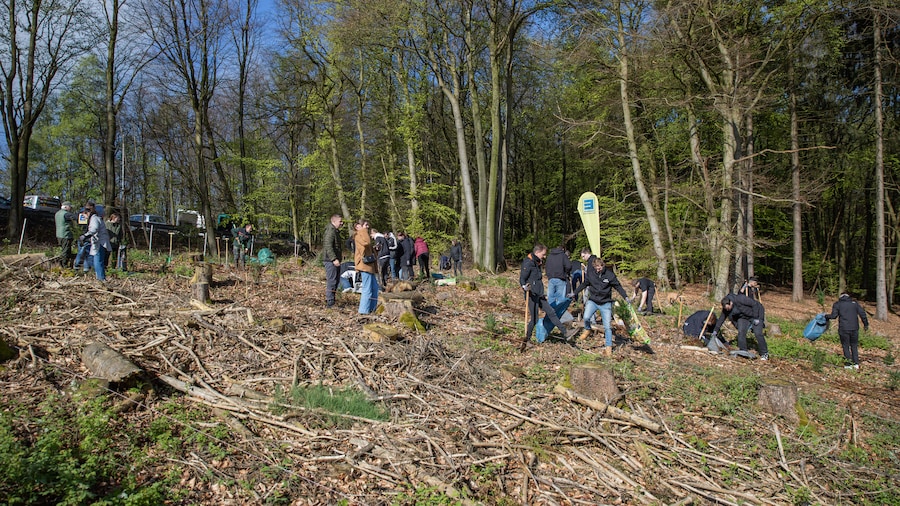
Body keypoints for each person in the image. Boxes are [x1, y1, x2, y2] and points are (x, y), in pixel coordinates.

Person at [570, 257, 629, 352]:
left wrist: (625, 297)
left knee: (607, 327)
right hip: (593, 301)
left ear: (603, 265)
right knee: (586, 318)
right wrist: (575, 292)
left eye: (600, 267)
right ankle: (588, 329)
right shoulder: (591, 274)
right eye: (596, 267)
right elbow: (584, 284)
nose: (598, 269)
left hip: (605, 303)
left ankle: (608, 347)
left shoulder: (610, 275)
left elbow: (618, 286)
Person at [519, 243, 570, 350]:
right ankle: (526, 340)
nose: (545, 256)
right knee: (534, 319)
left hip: (539, 294)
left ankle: (565, 332)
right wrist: (524, 287)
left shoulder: (537, 262)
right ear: (537, 252)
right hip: (531, 295)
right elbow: (522, 279)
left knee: (551, 311)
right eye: (543, 254)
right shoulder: (528, 263)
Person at [710, 293, 769, 360]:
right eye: (726, 309)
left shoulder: (740, 299)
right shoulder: (726, 309)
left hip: (756, 313)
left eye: (728, 308)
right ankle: (743, 351)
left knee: (758, 333)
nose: (727, 310)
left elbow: (754, 304)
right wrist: (715, 331)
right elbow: (721, 319)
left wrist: (757, 318)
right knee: (741, 332)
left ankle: (764, 353)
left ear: (731, 303)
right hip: (743, 317)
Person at [825, 293, 869, 369]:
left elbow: (834, 316)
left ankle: (848, 364)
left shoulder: (838, 304)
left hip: (844, 328)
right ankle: (856, 364)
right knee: (854, 346)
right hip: (854, 328)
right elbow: (862, 314)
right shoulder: (854, 304)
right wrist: (866, 324)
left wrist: (825, 316)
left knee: (845, 346)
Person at [79, 202, 112, 281]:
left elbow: (94, 229)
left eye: (84, 214)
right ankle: (100, 277)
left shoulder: (94, 218)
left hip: (100, 243)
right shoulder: (94, 218)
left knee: (98, 261)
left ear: (87, 212)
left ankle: (101, 278)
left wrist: (85, 236)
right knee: (97, 261)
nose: (84, 216)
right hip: (98, 242)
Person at [354, 219, 379, 314]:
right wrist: (363, 230)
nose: (367, 227)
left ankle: (372, 310)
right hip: (364, 266)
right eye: (366, 225)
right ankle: (363, 311)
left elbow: (368, 247)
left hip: (370, 266)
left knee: (374, 288)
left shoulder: (363, 235)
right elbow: (366, 243)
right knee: (367, 289)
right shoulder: (359, 235)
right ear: (359, 226)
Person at [322, 214, 344, 307]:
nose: (342, 223)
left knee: (336, 281)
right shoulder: (330, 231)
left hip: (334, 260)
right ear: (334, 221)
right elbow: (328, 245)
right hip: (330, 260)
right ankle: (330, 303)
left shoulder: (335, 231)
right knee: (332, 281)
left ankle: (332, 301)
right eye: (340, 221)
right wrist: (334, 259)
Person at [55, 201, 77, 268]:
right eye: (70, 207)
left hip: (59, 234)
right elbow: (76, 217)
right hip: (66, 235)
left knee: (64, 250)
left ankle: (64, 264)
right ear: (66, 207)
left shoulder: (57, 213)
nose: (70, 209)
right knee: (65, 251)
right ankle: (64, 266)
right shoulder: (66, 214)